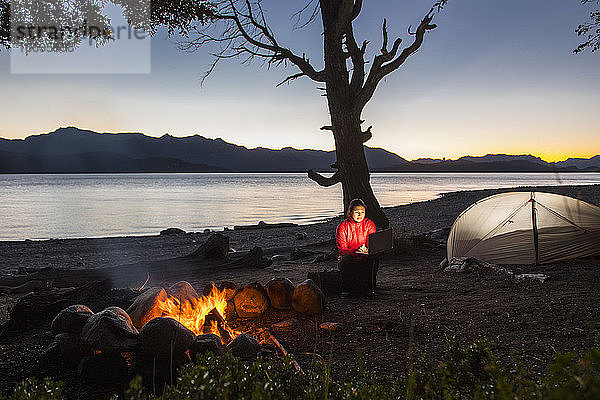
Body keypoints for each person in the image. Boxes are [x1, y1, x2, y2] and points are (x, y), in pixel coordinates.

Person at [336, 198, 379, 293]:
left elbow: (373, 244)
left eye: (362, 212)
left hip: (365, 256)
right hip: (349, 257)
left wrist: (367, 250)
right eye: (357, 212)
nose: (360, 215)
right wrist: (356, 251)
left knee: (374, 258)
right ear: (350, 212)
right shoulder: (343, 226)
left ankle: (370, 288)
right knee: (346, 260)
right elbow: (342, 250)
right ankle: (347, 289)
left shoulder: (369, 224)